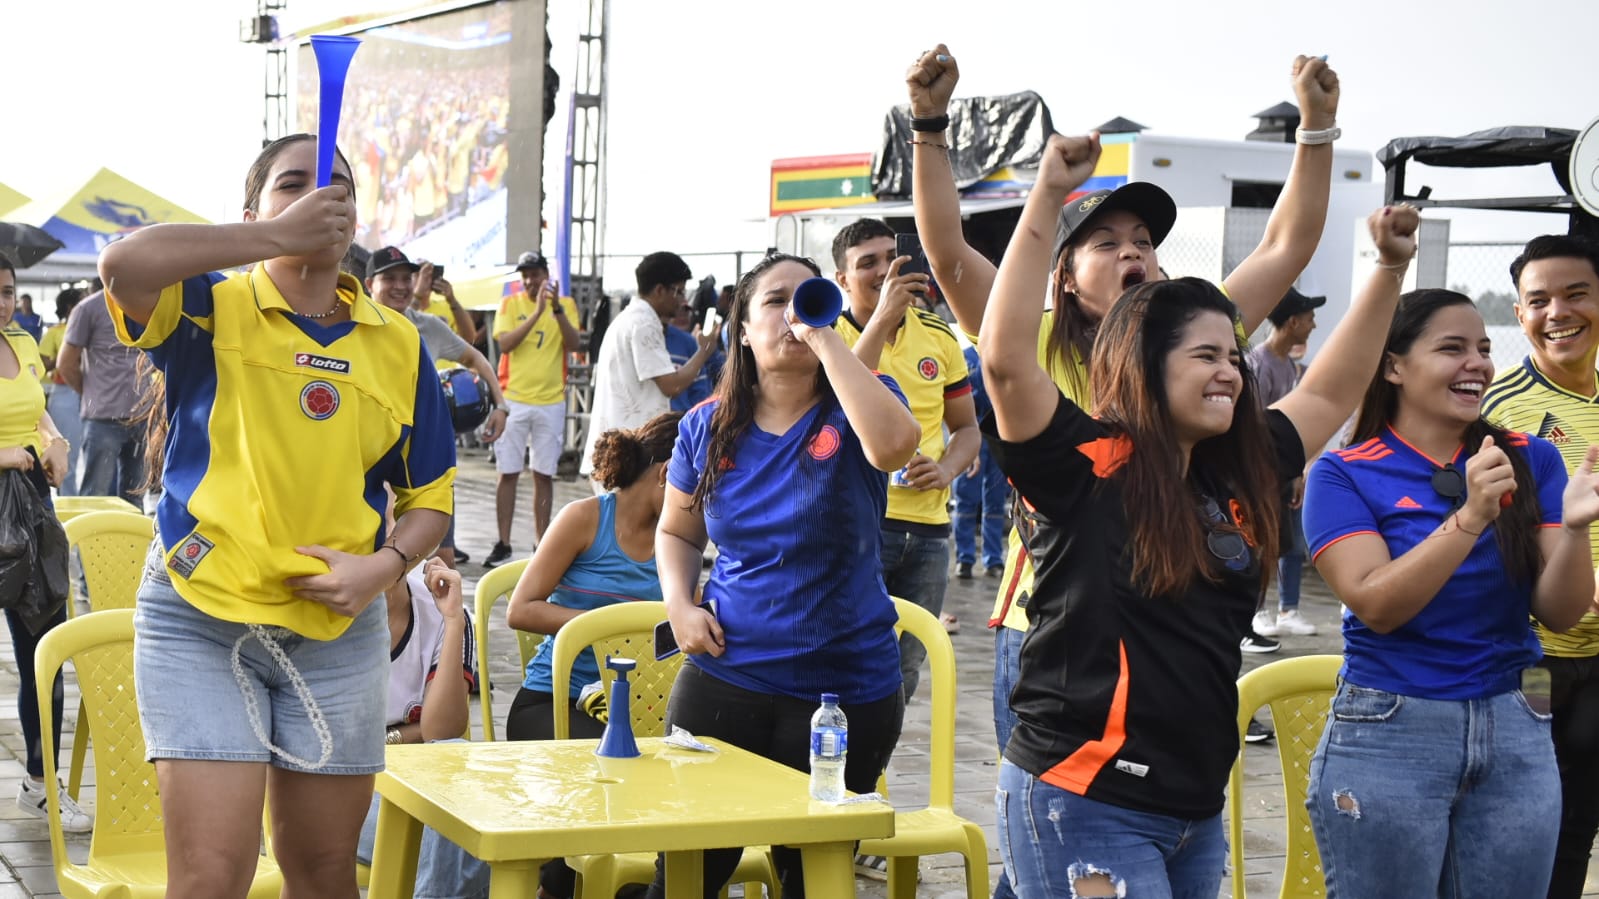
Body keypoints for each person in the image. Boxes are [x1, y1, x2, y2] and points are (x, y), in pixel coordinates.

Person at [904, 48, 1340, 851]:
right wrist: (929, 126)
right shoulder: (1028, 339)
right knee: (1045, 831)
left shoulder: (1194, 333)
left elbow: (1285, 249)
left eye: (1142, 237)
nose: (1132, 250)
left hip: (1169, 620)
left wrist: (1314, 128)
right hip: (1051, 623)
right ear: (1063, 274)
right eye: (1104, 241)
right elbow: (947, 251)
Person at [979, 131, 1411, 897]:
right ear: (1147, 366)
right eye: (1203, 357)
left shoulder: (1234, 472)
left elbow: (1330, 392)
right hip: (1085, 800)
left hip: (1193, 811)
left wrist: (1387, 269)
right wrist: (1045, 195)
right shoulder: (1089, 466)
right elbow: (1007, 360)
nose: (1228, 374)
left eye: (1231, 358)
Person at [99, 132, 456, 898]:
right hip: (199, 615)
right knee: (210, 876)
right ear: (252, 210)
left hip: (337, 632)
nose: (320, 198)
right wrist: (274, 241)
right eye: (293, 184)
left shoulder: (398, 343)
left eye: (337, 187)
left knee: (326, 873)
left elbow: (429, 503)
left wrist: (382, 569)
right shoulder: (209, 304)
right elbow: (122, 264)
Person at [1304, 287, 1597, 897]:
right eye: (1452, 348)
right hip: (1390, 729)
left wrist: (1574, 530)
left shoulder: (1532, 458)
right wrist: (1470, 516)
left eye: (1485, 349)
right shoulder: (1343, 472)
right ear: (1393, 367)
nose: (1479, 364)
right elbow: (1377, 604)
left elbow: (1562, 612)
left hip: (1517, 725)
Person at [649, 253, 920, 898]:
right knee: (686, 875)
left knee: (812, 880)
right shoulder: (706, 425)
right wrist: (680, 605)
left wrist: (827, 337)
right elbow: (678, 531)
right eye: (776, 301)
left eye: (811, 296)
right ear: (742, 328)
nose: (794, 312)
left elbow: (894, 448)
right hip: (727, 673)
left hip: (845, 690)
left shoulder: (858, 405)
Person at [503, 411, 680, 899]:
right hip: (550, 701)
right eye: (701, 482)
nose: (705, 499)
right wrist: (605, 629)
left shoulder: (679, 541)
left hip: (636, 710)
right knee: (619, 774)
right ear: (668, 473)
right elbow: (521, 609)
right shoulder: (585, 519)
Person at [1477, 233, 1599, 899]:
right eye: (1537, 300)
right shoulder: (1495, 407)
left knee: (1579, 818)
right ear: (1519, 313)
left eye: (1575, 294)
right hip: (1532, 658)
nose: (1557, 311)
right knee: (1523, 818)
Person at [831, 218, 979, 704]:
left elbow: (967, 429)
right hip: (857, 526)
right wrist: (880, 320)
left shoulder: (939, 335)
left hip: (930, 534)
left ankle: (876, 769)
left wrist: (946, 469)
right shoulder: (826, 333)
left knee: (906, 666)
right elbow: (836, 405)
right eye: (866, 263)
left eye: (890, 257)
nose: (883, 270)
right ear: (842, 280)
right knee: (842, 659)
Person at [0, 254, 88, 833]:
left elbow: (43, 413)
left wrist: (54, 441)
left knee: (45, 646)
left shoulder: (22, 341)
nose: (2, 302)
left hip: (31, 504)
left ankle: (40, 781)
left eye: (6, 291)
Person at [366, 245, 509, 570]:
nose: (400, 285)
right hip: (372, 458)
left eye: (407, 277)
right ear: (369, 284)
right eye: (390, 278)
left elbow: (475, 355)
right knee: (384, 553)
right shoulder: (352, 326)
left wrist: (500, 405)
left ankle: (445, 621)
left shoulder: (427, 326)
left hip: (425, 458)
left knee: (441, 557)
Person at [354, 557, 486, 899]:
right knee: (463, 838)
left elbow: (441, 731)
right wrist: (412, 733)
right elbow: (331, 745)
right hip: (346, 786)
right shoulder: (324, 608)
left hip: (424, 781)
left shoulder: (439, 605)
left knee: (456, 769)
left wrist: (454, 620)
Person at [579, 252, 718, 488]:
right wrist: (703, 351)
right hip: (630, 453)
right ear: (660, 290)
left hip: (618, 449)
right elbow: (671, 385)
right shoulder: (644, 323)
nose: (682, 300)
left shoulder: (629, 318)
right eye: (679, 291)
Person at [485, 251, 581, 567]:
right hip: (513, 398)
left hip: (551, 400)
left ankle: (541, 543)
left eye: (535, 274)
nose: (530, 281)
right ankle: (504, 542)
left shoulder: (564, 305)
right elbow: (506, 344)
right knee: (508, 472)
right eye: (525, 275)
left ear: (546, 275)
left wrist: (553, 310)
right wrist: (538, 312)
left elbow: (575, 343)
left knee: (544, 474)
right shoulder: (510, 304)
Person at [1249, 286, 1325, 642]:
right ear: (1292, 322)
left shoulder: (1288, 367)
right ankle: (1256, 615)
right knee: (1260, 544)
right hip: (1258, 472)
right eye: (1309, 317)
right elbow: (1251, 427)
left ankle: (1288, 609)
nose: (1313, 324)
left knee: (1288, 543)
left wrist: (1295, 472)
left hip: (1282, 472)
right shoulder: (1258, 364)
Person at [59, 285, 146, 503]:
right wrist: (91, 394)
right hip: (103, 419)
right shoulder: (88, 309)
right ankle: (90, 539)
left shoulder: (146, 302)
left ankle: (131, 538)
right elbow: (65, 363)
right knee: (95, 498)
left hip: (141, 416)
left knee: (134, 499)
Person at [952, 342, 1006, 581]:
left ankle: (993, 560)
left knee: (995, 502)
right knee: (966, 500)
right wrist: (968, 446)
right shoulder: (965, 359)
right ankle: (964, 559)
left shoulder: (1005, 353)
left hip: (1000, 437)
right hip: (971, 434)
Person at [36, 288, 84, 497]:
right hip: (66, 393)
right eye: (82, 301)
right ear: (70, 307)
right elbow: (43, 364)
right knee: (68, 458)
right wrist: (65, 357)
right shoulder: (56, 332)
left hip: (93, 395)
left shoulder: (92, 326)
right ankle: (70, 506)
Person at [665, 300, 723, 412]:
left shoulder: (693, 343)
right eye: (678, 312)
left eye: (686, 312)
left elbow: (701, 391)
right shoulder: (653, 341)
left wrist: (707, 348)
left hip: (682, 420)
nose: (683, 317)